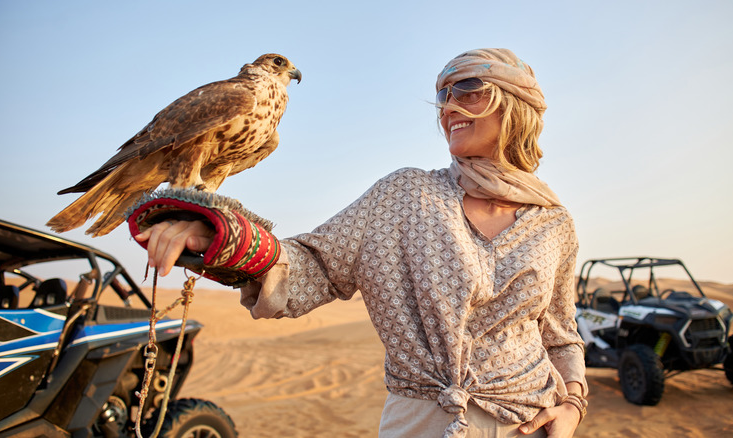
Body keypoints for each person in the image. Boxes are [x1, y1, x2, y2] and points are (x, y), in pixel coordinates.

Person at [130, 48, 588, 438]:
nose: (448, 107)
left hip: (531, 420)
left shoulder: (554, 224)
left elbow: (561, 334)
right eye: (442, 96)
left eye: (467, 90)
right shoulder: (406, 195)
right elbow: (311, 266)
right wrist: (226, 238)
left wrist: (572, 405)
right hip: (421, 421)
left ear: (516, 104)